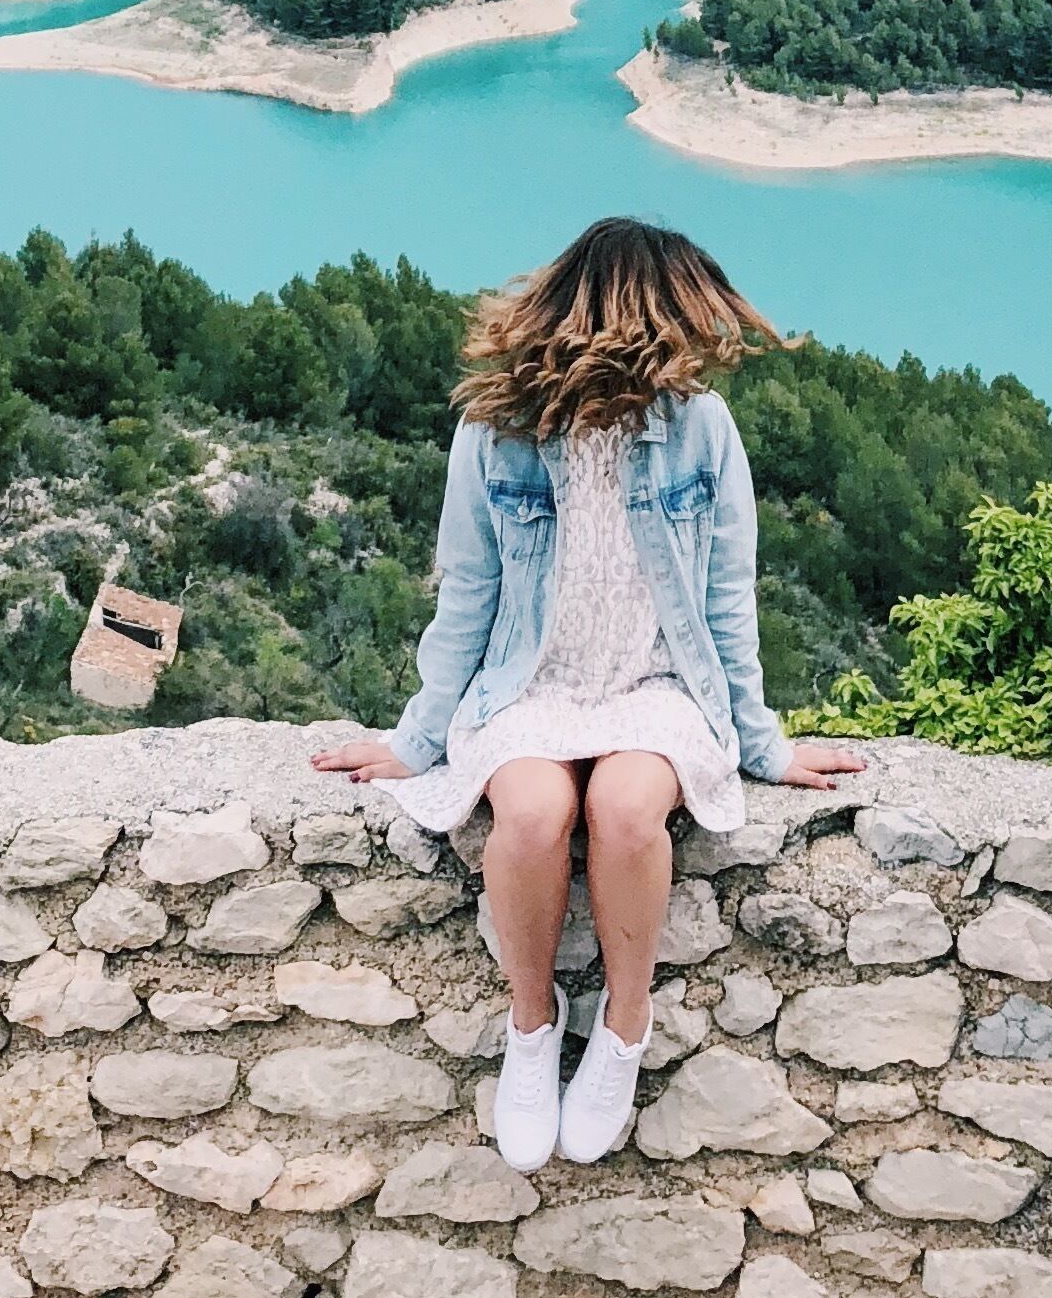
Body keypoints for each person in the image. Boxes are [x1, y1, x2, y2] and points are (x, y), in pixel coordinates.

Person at [311, 216, 867, 1170]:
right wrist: (416, 737)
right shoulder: (496, 435)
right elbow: (469, 593)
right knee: (529, 818)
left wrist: (765, 743)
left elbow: (729, 601)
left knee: (622, 808)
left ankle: (623, 1023)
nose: (695, 351)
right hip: (533, 682)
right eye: (683, 325)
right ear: (637, 319)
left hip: (657, 686)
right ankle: (533, 1025)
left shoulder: (702, 430)